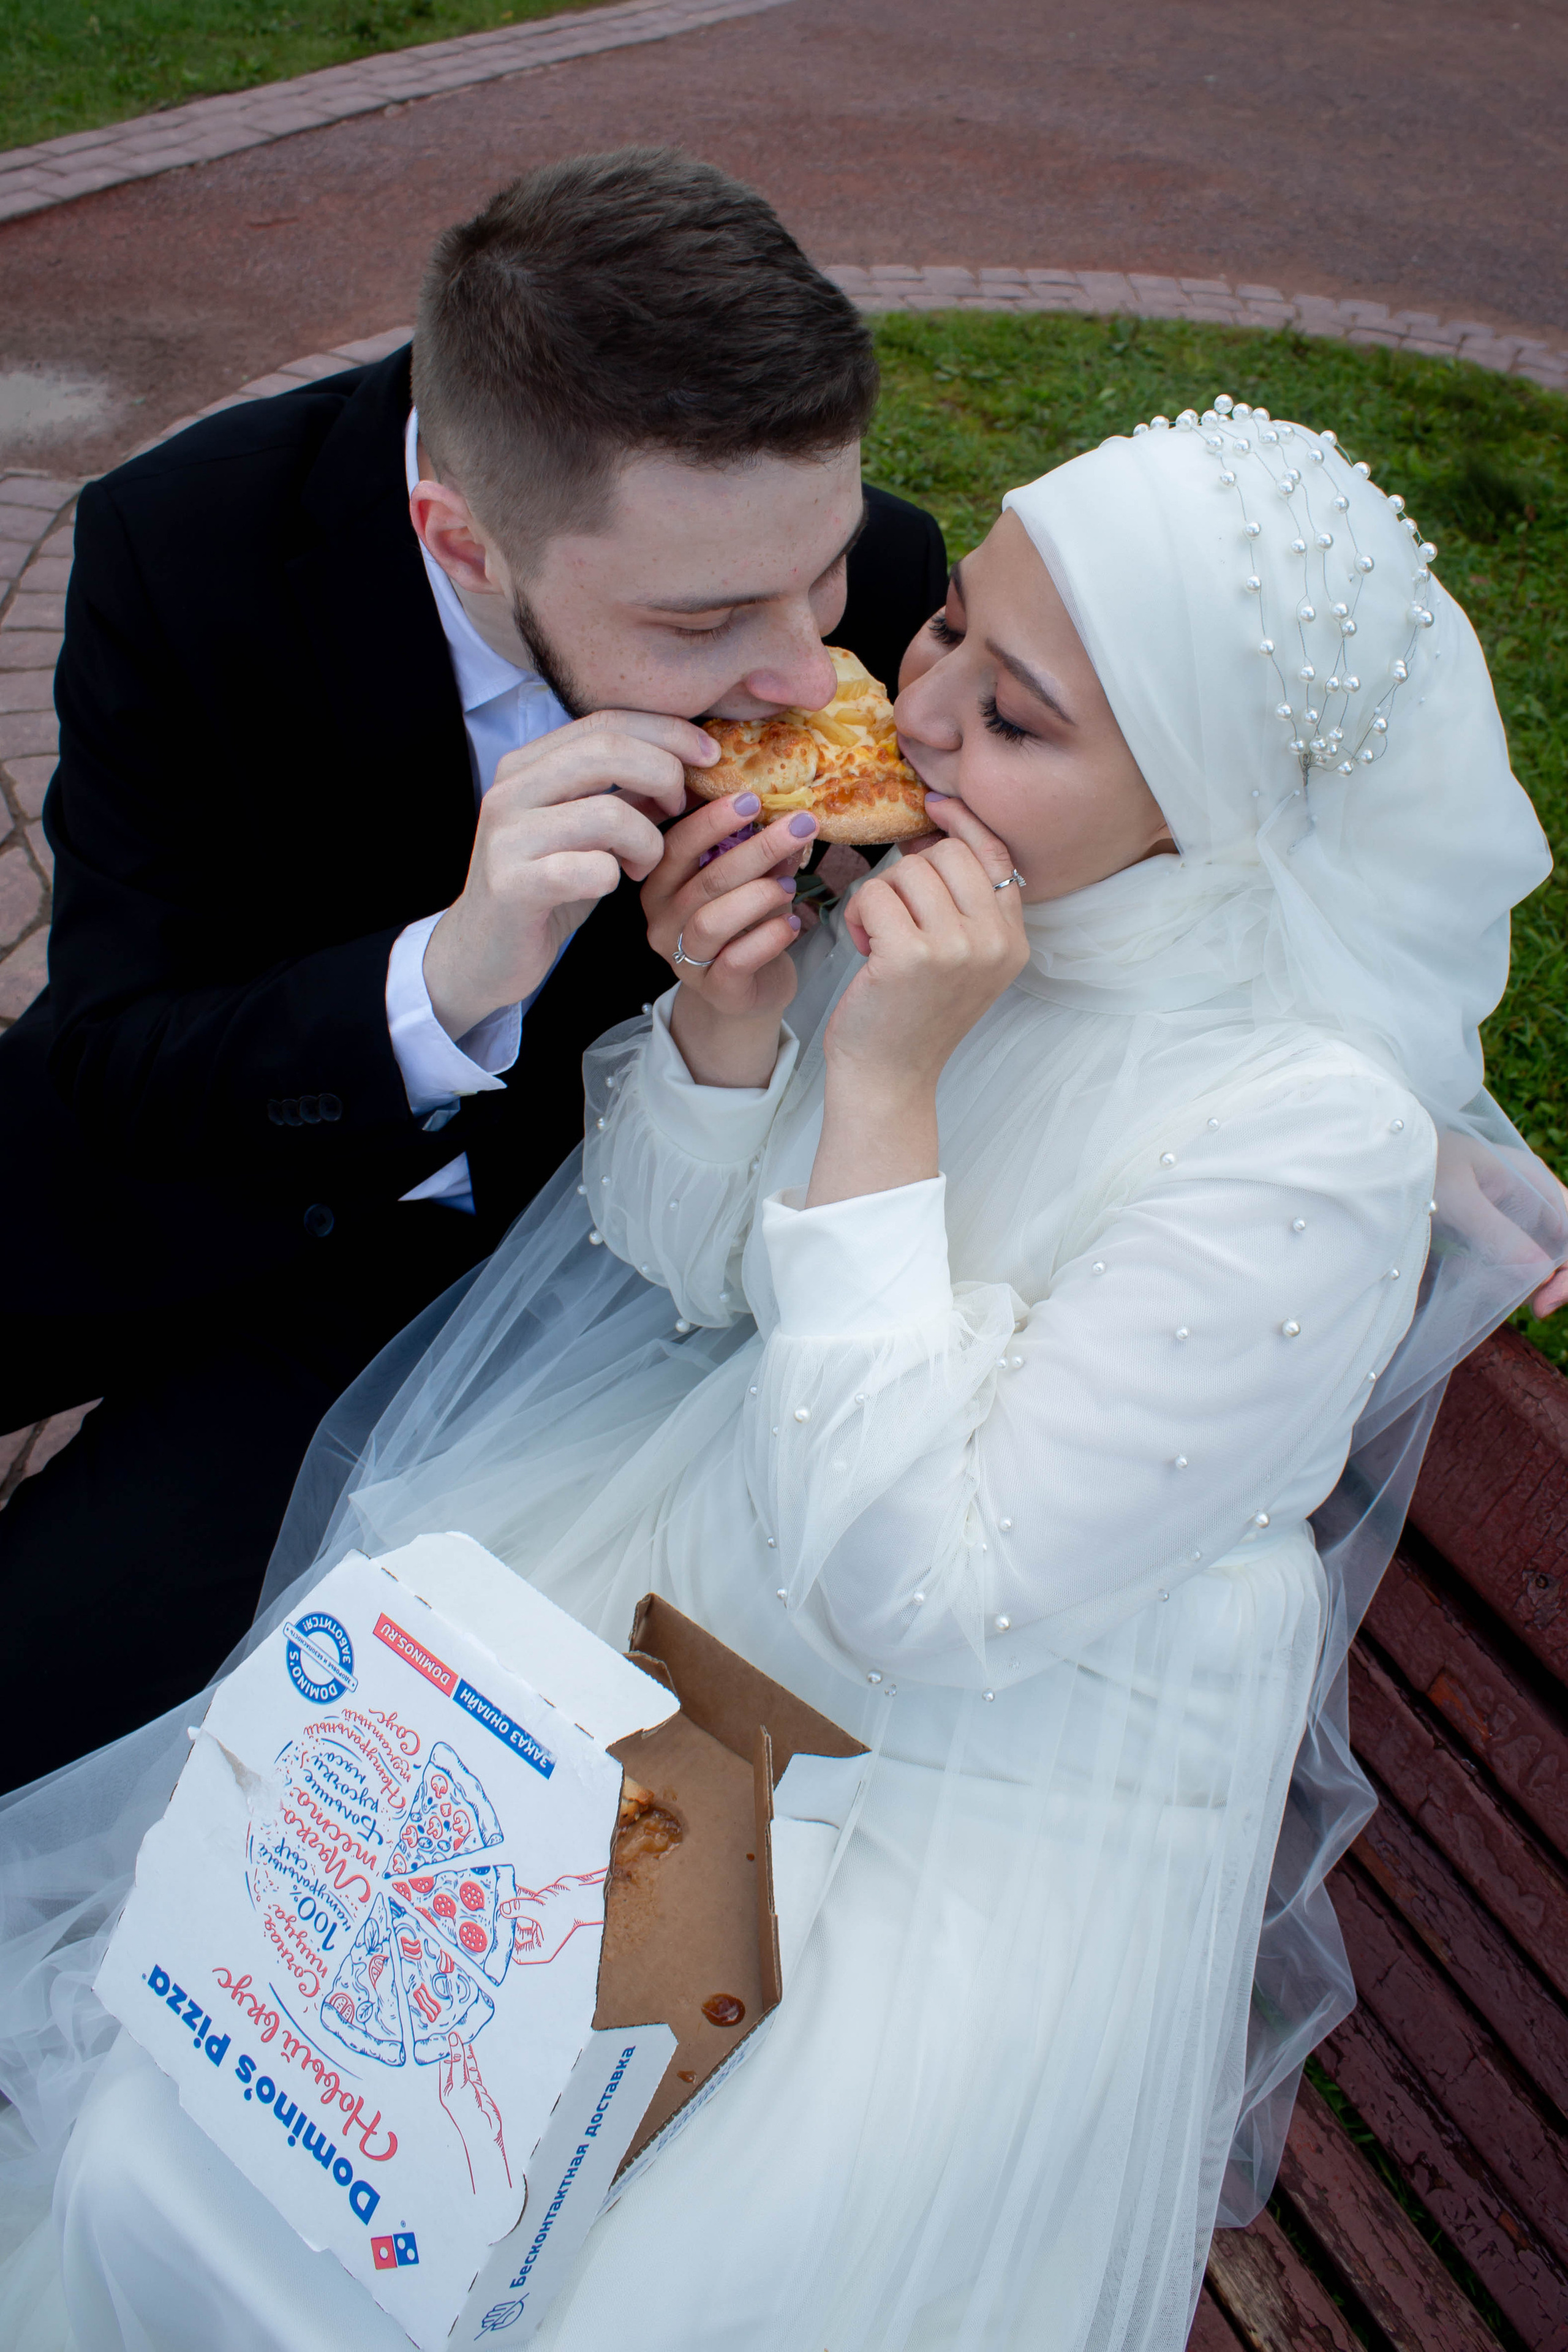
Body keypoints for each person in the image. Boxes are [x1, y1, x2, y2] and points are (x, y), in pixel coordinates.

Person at [2, 404, 1564, 2351]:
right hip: (701, 1587)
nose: (917, 720)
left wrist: (887, 1086)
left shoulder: (1294, 1141)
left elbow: (913, 1587)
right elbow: (685, 1267)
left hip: (967, 1774)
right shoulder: (946, 899)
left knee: (562, 2281)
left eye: (1020, 717)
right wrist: (738, 1033)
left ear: (1208, 799)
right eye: (945, 637)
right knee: (235, 2114)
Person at [0, 148, 946, 1787]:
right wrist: (451, 974)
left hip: (467, 1298)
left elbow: (1105, 842)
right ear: (460, 540)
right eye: (706, 617)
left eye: (826, 571)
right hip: (154, 1155)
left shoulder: (897, 570)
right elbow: (121, 1048)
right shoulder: (188, 546)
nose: (806, 665)